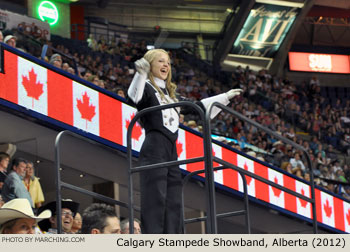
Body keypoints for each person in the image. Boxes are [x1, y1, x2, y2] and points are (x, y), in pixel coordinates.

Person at [127, 49, 242, 233]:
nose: (165, 65)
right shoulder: (146, 87)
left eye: (168, 63)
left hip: (172, 152)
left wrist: (224, 97)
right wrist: (140, 75)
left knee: (174, 199)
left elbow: (198, 108)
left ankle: (174, 239)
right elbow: (134, 98)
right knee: (155, 197)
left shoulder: (172, 95)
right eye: (160, 61)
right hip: (154, 146)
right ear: (150, 65)